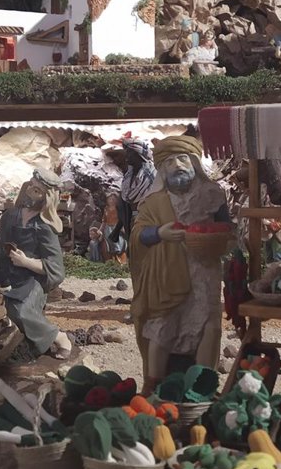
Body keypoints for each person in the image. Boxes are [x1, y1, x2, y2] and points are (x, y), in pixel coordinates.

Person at [129, 135, 230, 393]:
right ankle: (153, 385)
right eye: (170, 161)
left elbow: (227, 229)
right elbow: (138, 235)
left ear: (194, 162)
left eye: (183, 158)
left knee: (208, 325)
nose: (177, 165)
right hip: (166, 273)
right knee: (162, 325)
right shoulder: (154, 201)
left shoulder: (212, 194)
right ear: (162, 169)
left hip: (204, 272)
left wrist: (217, 239)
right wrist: (159, 233)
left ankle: (203, 385)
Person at [0, 169, 72, 361]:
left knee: (18, 308)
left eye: (37, 190)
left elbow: (55, 268)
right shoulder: (11, 216)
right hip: (6, 275)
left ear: (46, 197)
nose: (31, 191)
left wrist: (26, 262)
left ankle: (58, 337)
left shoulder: (44, 226)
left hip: (30, 280)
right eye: (31, 185)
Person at [88, 192, 127, 264]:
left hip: (117, 227)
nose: (111, 201)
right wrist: (100, 230)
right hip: (107, 228)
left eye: (113, 199)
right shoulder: (106, 209)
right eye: (110, 199)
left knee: (118, 240)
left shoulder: (119, 209)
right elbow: (104, 221)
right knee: (106, 240)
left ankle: (119, 256)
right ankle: (106, 258)